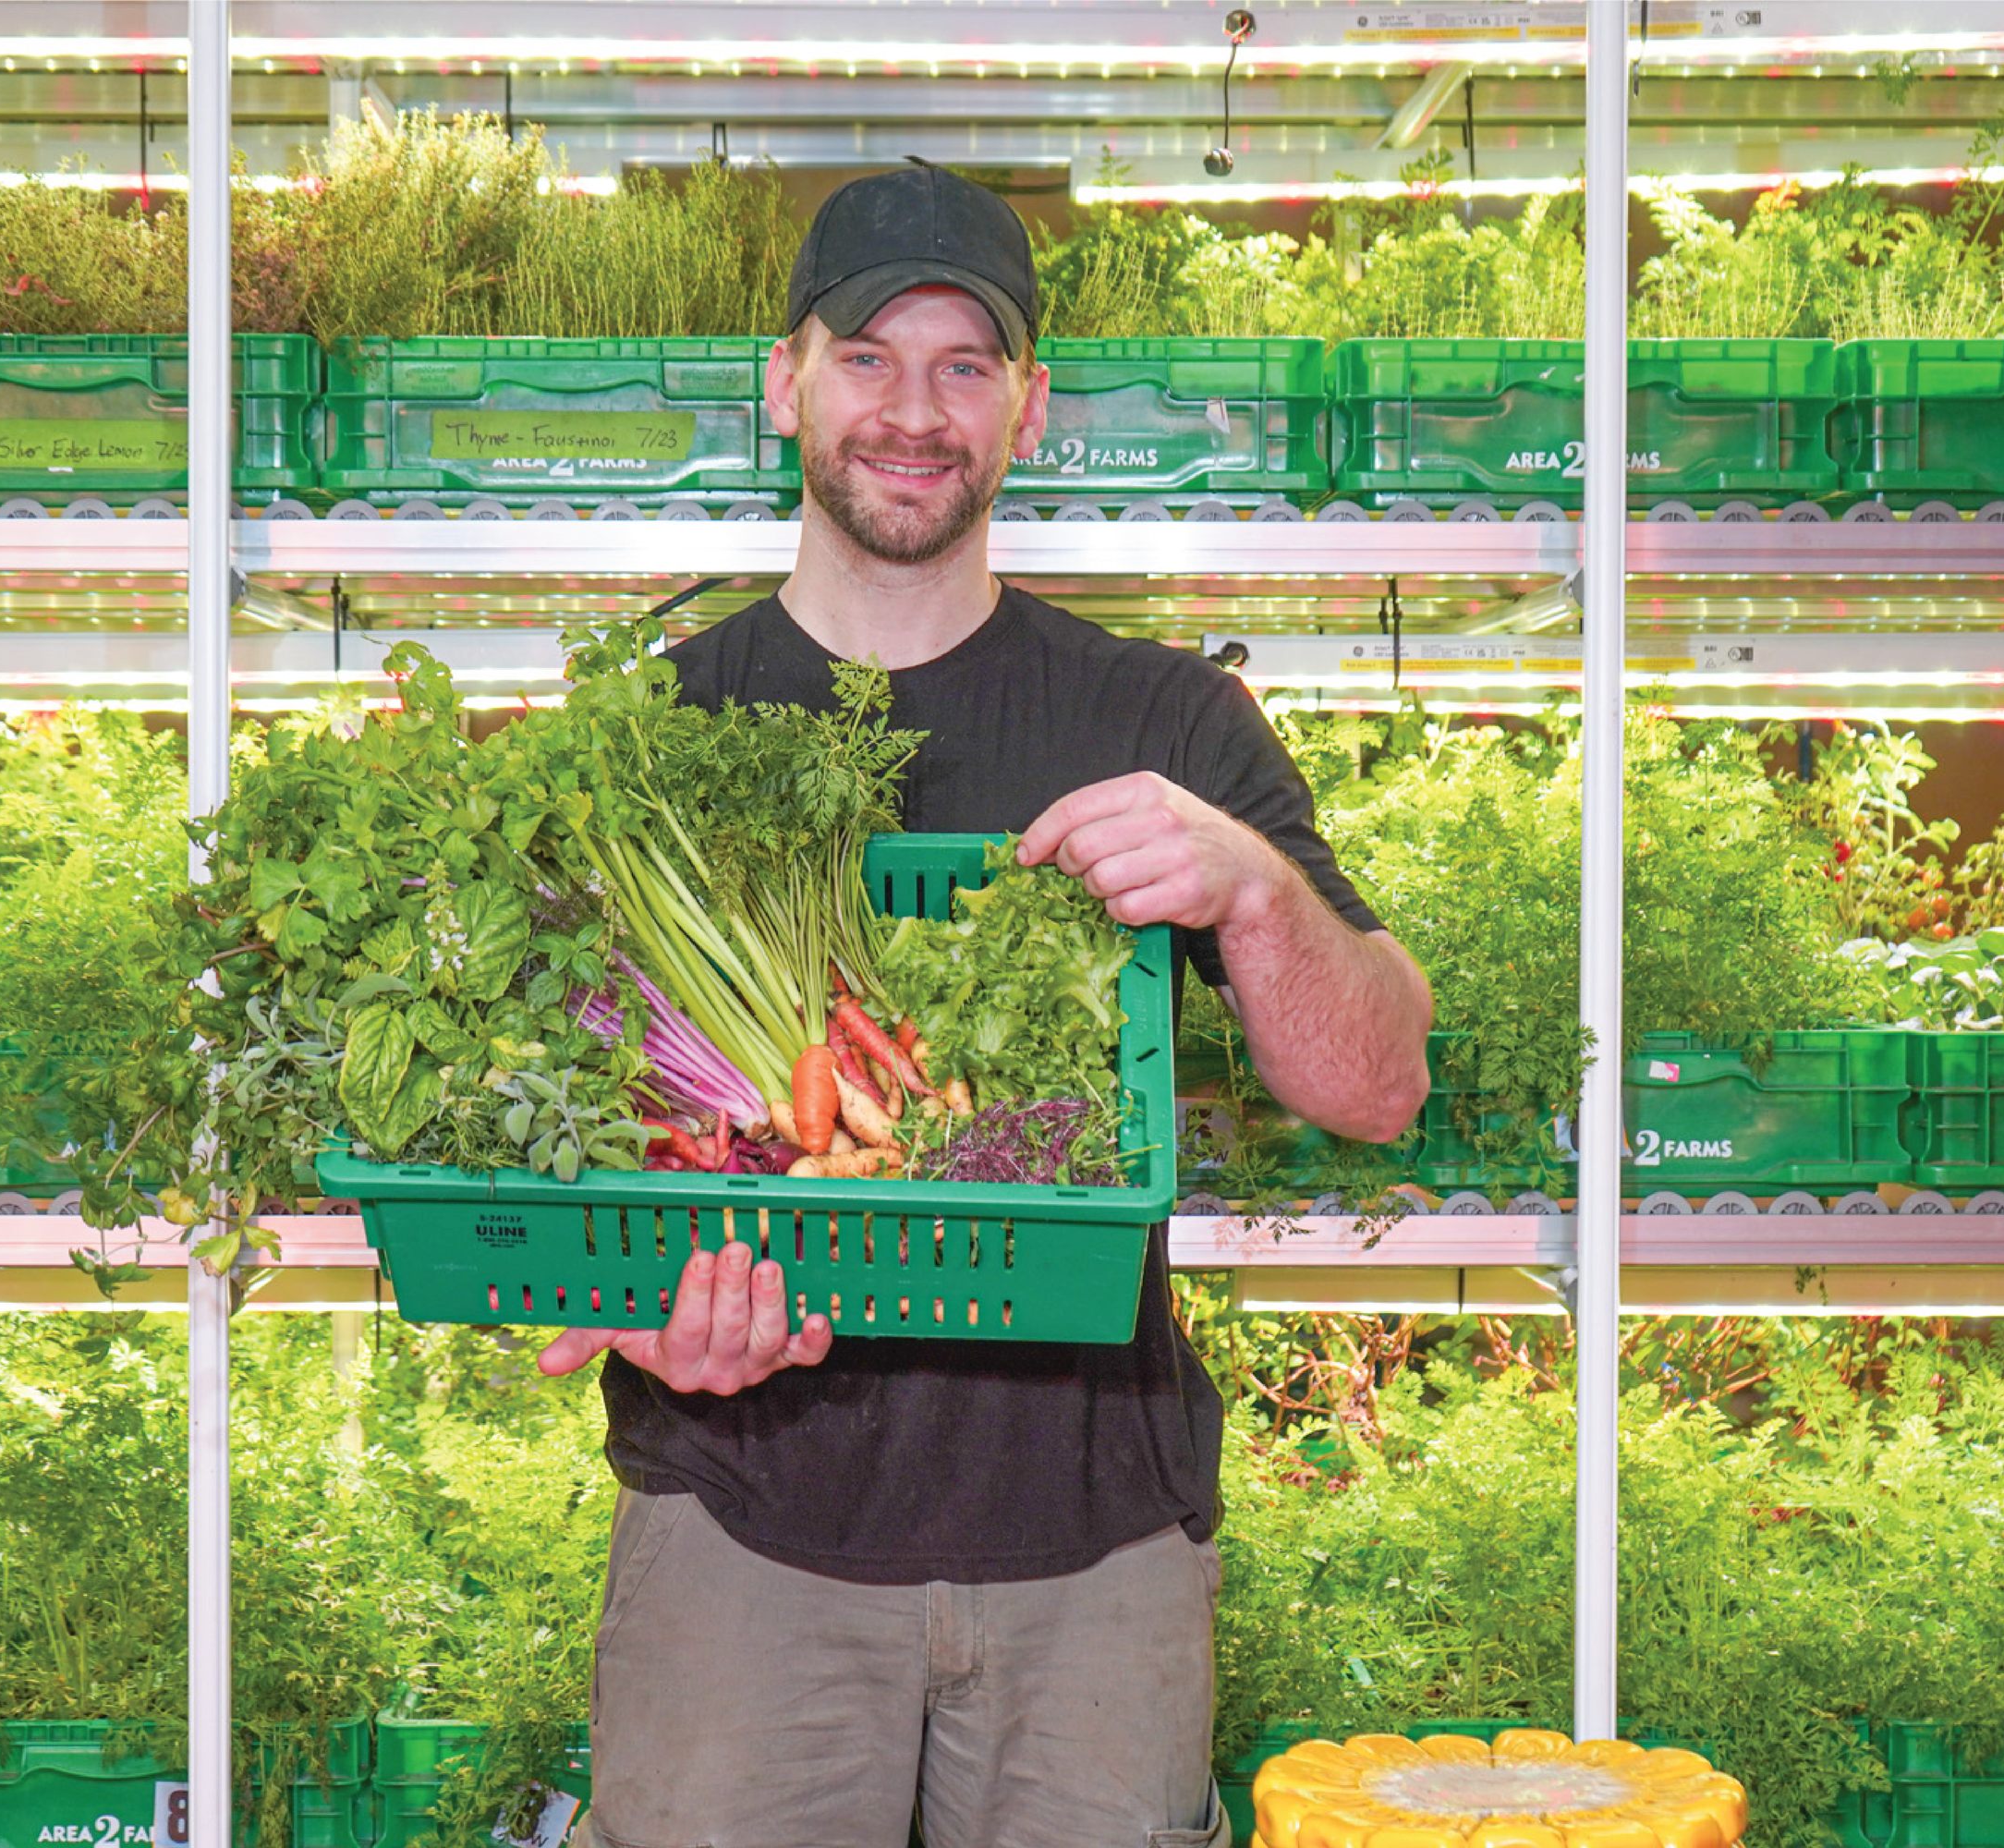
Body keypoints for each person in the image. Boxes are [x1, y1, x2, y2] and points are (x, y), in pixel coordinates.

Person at [536, 164, 1434, 1848]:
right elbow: (528, 1138)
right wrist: (626, 1302)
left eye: (965, 367)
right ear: (782, 382)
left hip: (1098, 1557)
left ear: (1030, 411)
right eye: (868, 356)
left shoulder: (1166, 718)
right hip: (742, 1540)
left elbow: (1378, 1085)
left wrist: (1252, 885)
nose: (914, 411)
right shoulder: (647, 734)